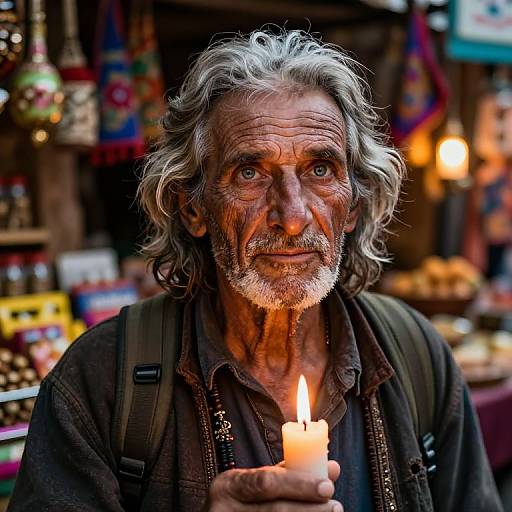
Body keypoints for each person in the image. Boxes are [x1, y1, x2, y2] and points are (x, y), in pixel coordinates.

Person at [8, 30, 502, 512]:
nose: (291, 217)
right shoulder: (101, 381)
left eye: (320, 170)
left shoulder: (418, 359)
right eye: (249, 172)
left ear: (353, 206)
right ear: (193, 207)